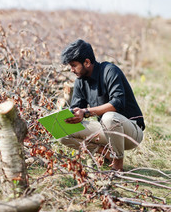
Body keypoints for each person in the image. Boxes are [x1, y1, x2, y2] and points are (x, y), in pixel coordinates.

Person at [59, 39, 145, 171]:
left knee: (109, 117)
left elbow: (117, 103)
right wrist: (71, 115)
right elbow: (77, 109)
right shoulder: (80, 82)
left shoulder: (109, 71)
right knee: (62, 130)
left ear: (87, 62)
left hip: (131, 132)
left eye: (74, 65)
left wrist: (86, 112)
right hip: (106, 130)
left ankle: (118, 165)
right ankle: (105, 152)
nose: (71, 70)